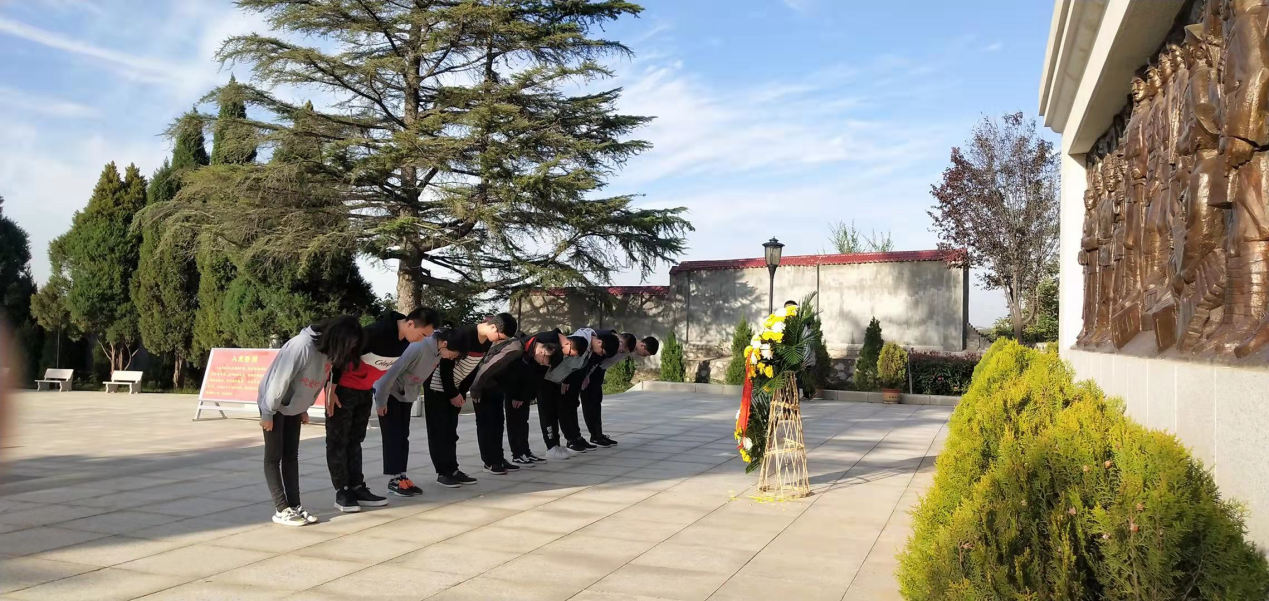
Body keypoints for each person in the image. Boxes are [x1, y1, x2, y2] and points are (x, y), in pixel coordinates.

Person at [258, 316, 365, 526]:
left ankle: (295, 505)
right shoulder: (302, 346)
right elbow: (280, 380)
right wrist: (268, 412)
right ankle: (281, 509)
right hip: (273, 403)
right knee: (273, 456)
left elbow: (317, 381)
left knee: (291, 456)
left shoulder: (326, 352)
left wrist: (302, 408)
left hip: (293, 408)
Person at [328, 308, 434, 513]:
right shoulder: (375, 332)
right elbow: (339, 355)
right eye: (422, 335)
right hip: (342, 391)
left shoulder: (404, 341)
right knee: (338, 440)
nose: (421, 340)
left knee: (355, 439)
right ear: (411, 324)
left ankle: (357, 486)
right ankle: (342, 490)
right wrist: (331, 389)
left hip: (364, 391)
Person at [426, 313, 517, 486]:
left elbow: (473, 369)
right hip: (438, 388)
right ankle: (443, 473)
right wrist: (452, 393)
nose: (499, 341)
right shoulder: (462, 335)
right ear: (492, 327)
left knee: (451, 433)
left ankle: (453, 469)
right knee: (439, 432)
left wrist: (461, 392)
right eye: (500, 337)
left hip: (456, 389)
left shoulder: (487, 342)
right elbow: (445, 366)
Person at [371, 308, 442, 497]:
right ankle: (394, 479)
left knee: (403, 436)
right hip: (390, 394)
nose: (423, 338)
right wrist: (381, 401)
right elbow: (388, 375)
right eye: (423, 334)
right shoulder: (417, 347)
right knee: (393, 436)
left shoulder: (436, 351)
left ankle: (401, 475)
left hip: (405, 395)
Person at [470, 331, 564, 467]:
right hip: (488, 387)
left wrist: (527, 396)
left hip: (501, 387)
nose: (544, 365)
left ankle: (501, 458)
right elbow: (490, 368)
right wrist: (476, 389)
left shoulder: (530, 352)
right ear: (544, 352)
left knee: (500, 425)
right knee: (489, 425)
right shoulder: (517, 348)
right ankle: (495, 461)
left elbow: (531, 377)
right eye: (546, 362)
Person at [579, 333, 658, 447]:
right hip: (592, 369)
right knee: (589, 403)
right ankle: (593, 436)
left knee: (596, 402)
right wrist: (587, 373)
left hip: (599, 370)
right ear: (642, 345)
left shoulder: (629, 347)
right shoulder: (625, 342)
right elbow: (604, 344)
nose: (644, 356)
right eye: (646, 354)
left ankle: (598, 434)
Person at [555, 328, 618, 455]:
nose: (599, 354)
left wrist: (585, 376)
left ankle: (577, 437)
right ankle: (571, 439)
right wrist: (565, 380)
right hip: (564, 380)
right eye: (601, 352)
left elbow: (583, 365)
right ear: (599, 342)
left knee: (573, 405)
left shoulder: (589, 343)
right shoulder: (581, 339)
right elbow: (567, 360)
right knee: (565, 407)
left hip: (575, 380)